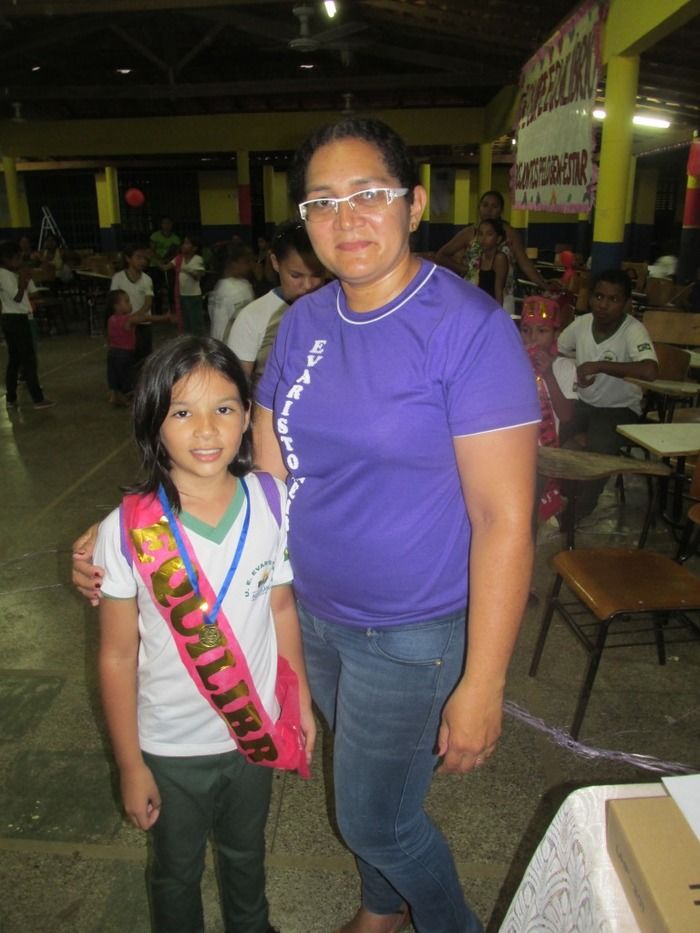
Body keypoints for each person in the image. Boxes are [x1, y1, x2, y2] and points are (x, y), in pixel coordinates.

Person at [74, 118, 539, 933]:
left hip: (411, 626)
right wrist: (131, 524)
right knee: (375, 789)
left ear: (416, 203)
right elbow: (260, 471)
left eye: (370, 194)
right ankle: (380, 909)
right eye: (323, 202)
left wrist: (484, 679)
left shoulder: (469, 329)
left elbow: (503, 516)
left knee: (374, 815)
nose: (346, 218)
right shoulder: (308, 322)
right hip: (310, 613)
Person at [95, 336, 315, 933]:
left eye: (224, 408)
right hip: (169, 748)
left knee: (248, 856)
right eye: (182, 412)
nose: (206, 430)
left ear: (248, 417)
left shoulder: (269, 503)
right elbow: (117, 657)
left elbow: (282, 609)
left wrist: (299, 706)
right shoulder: (127, 530)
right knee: (175, 869)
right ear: (152, 423)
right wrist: (128, 763)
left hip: (255, 732)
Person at [557, 267, 659, 519]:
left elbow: (650, 370)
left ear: (626, 303)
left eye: (613, 299)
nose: (603, 305)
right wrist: (572, 372)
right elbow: (556, 349)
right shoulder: (581, 324)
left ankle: (583, 506)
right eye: (599, 296)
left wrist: (600, 366)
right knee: (554, 434)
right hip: (584, 402)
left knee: (599, 449)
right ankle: (563, 496)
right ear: (590, 297)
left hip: (619, 409)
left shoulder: (633, 330)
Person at [227, 221, 325, 382]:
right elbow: (237, 385)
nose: (308, 286)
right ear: (275, 262)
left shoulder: (339, 309)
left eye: (317, 274)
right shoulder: (253, 317)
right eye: (296, 275)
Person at [435, 190, 552, 307]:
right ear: (479, 207)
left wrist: (545, 285)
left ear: (501, 210)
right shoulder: (469, 233)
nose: (489, 210)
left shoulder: (510, 233)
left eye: (494, 206)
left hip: (504, 294)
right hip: (473, 294)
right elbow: (441, 255)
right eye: (485, 205)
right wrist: (463, 269)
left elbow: (525, 263)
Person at [520, 295, 576, 522]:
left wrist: (548, 375)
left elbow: (567, 415)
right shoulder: (511, 361)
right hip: (516, 446)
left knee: (531, 513)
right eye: (526, 330)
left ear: (556, 334)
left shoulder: (564, 367)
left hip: (545, 451)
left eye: (542, 331)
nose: (532, 338)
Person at [0, 240, 55, 410]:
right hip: (15, 319)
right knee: (28, 360)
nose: (20, 262)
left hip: (14, 318)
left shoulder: (11, 273)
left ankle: (11, 397)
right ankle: (37, 399)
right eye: (17, 259)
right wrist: (23, 280)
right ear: (6, 260)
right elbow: (17, 297)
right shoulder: (3, 274)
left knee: (15, 359)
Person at [105, 288, 173, 406]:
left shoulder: (111, 319)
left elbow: (109, 336)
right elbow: (146, 318)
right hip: (124, 354)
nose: (130, 304)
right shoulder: (128, 319)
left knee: (114, 376)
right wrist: (165, 317)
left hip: (112, 353)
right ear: (117, 306)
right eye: (126, 301)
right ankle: (128, 397)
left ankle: (115, 396)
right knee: (127, 376)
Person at [111, 242, 155, 362]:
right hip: (125, 326)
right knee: (126, 359)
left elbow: (148, 302)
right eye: (138, 257)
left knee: (144, 359)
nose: (143, 261)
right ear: (128, 258)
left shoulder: (147, 279)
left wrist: (136, 316)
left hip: (143, 325)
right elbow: (114, 301)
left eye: (144, 258)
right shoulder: (118, 278)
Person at [208, 241, 255, 343]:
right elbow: (221, 328)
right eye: (246, 262)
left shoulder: (221, 286)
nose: (250, 266)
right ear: (233, 263)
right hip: (233, 349)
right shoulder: (236, 290)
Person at [165, 235, 207, 336]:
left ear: (195, 248)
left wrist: (185, 270)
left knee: (196, 323)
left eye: (187, 243)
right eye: (184, 243)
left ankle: (199, 343)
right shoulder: (179, 258)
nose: (184, 245)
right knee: (186, 322)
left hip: (194, 296)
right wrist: (152, 257)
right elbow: (165, 267)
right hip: (182, 295)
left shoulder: (198, 259)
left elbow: (198, 275)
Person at [468, 218, 509, 306]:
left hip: (497, 304)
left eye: (489, 234)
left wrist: (498, 315)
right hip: (483, 304)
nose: (483, 238)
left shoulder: (499, 258)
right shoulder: (479, 256)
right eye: (480, 234)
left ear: (498, 239)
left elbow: (498, 290)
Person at [149, 216, 181, 313]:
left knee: (172, 287)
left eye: (168, 223)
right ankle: (158, 311)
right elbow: (151, 251)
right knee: (157, 288)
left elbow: (177, 253)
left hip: (170, 264)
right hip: (155, 265)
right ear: (161, 225)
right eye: (164, 223)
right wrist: (159, 261)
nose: (166, 225)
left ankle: (173, 310)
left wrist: (168, 260)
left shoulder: (175, 238)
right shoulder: (155, 236)